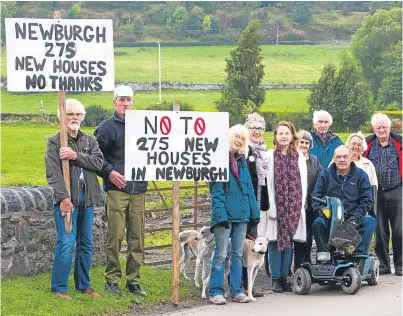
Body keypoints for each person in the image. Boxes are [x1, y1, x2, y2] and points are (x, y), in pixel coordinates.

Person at [45, 99, 103, 300]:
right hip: (67, 202)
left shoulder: (89, 140)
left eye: (78, 114)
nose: (74, 118)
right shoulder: (55, 142)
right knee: (66, 243)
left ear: (83, 117)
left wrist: (75, 155)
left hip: (87, 201)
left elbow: (98, 162)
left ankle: (84, 285)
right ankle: (59, 287)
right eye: (70, 114)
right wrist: (63, 198)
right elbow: (53, 173)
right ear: (62, 116)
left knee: (86, 244)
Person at [94, 85, 148, 296]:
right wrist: (109, 173)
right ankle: (112, 280)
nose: (126, 104)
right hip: (117, 189)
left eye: (129, 100)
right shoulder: (106, 127)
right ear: (114, 102)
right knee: (115, 236)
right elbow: (95, 157)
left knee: (137, 238)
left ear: (133, 102)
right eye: (122, 100)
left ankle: (133, 281)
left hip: (139, 188)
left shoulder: (144, 125)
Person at [208, 124, 260, 305]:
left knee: (238, 253)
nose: (238, 140)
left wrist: (254, 212)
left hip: (242, 214)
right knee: (221, 253)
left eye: (242, 138)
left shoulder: (243, 161)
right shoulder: (218, 159)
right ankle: (215, 291)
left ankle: (236, 290)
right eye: (236, 136)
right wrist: (220, 214)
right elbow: (216, 190)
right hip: (224, 215)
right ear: (230, 136)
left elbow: (249, 189)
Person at [258, 121, 307, 293]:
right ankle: (275, 278)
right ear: (276, 137)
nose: (284, 136)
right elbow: (266, 182)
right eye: (281, 133)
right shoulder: (270, 156)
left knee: (288, 243)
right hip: (276, 204)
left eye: (287, 133)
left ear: (292, 136)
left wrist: (300, 204)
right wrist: (270, 206)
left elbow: (303, 182)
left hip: (293, 205)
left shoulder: (299, 157)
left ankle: (285, 276)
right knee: (274, 241)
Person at [312, 145, 376, 258]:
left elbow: (367, 200)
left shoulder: (361, 175)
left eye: (345, 156)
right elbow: (316, 197)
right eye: (339, 157)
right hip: (330, 217)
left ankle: (359, 257)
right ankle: (325, 256)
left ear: (351, 158)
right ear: (334, 159)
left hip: (353, 217)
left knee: (370, 222)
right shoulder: (325, 175)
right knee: (318, 223)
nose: (342, 160)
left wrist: (355, 217)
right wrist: (324, 212)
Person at [363, 114, 402, 276]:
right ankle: (384, 265)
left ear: (389, 127)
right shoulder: (368, 143)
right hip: (376, 192)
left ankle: (400, 265)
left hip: (397, 190)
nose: (381, 130)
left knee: (399, 229)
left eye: (384, 127)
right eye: (378, 127)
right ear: (373, 128)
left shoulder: (399, 142)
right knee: (379, 230)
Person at [243, 113, 270, 297]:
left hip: (257, 202)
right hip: (245, 202)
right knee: (242, 245)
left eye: (260, 128)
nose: (257, 131)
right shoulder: (245, 150)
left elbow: (263, 179)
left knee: (252, 244)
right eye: (253, 128)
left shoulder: (262, 151)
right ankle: (238, 285)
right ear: (247, 130)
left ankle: (248, 286)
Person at [293, 130, 323, 270]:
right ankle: (297, 265)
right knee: (297, 236)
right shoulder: (292, 158)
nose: (304, 145)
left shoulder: (314, 160)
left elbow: (322, 176)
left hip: (311, 203)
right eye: (301, 142)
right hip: (295, 204)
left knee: (308, 235)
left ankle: (306, 261)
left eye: (307, 142)